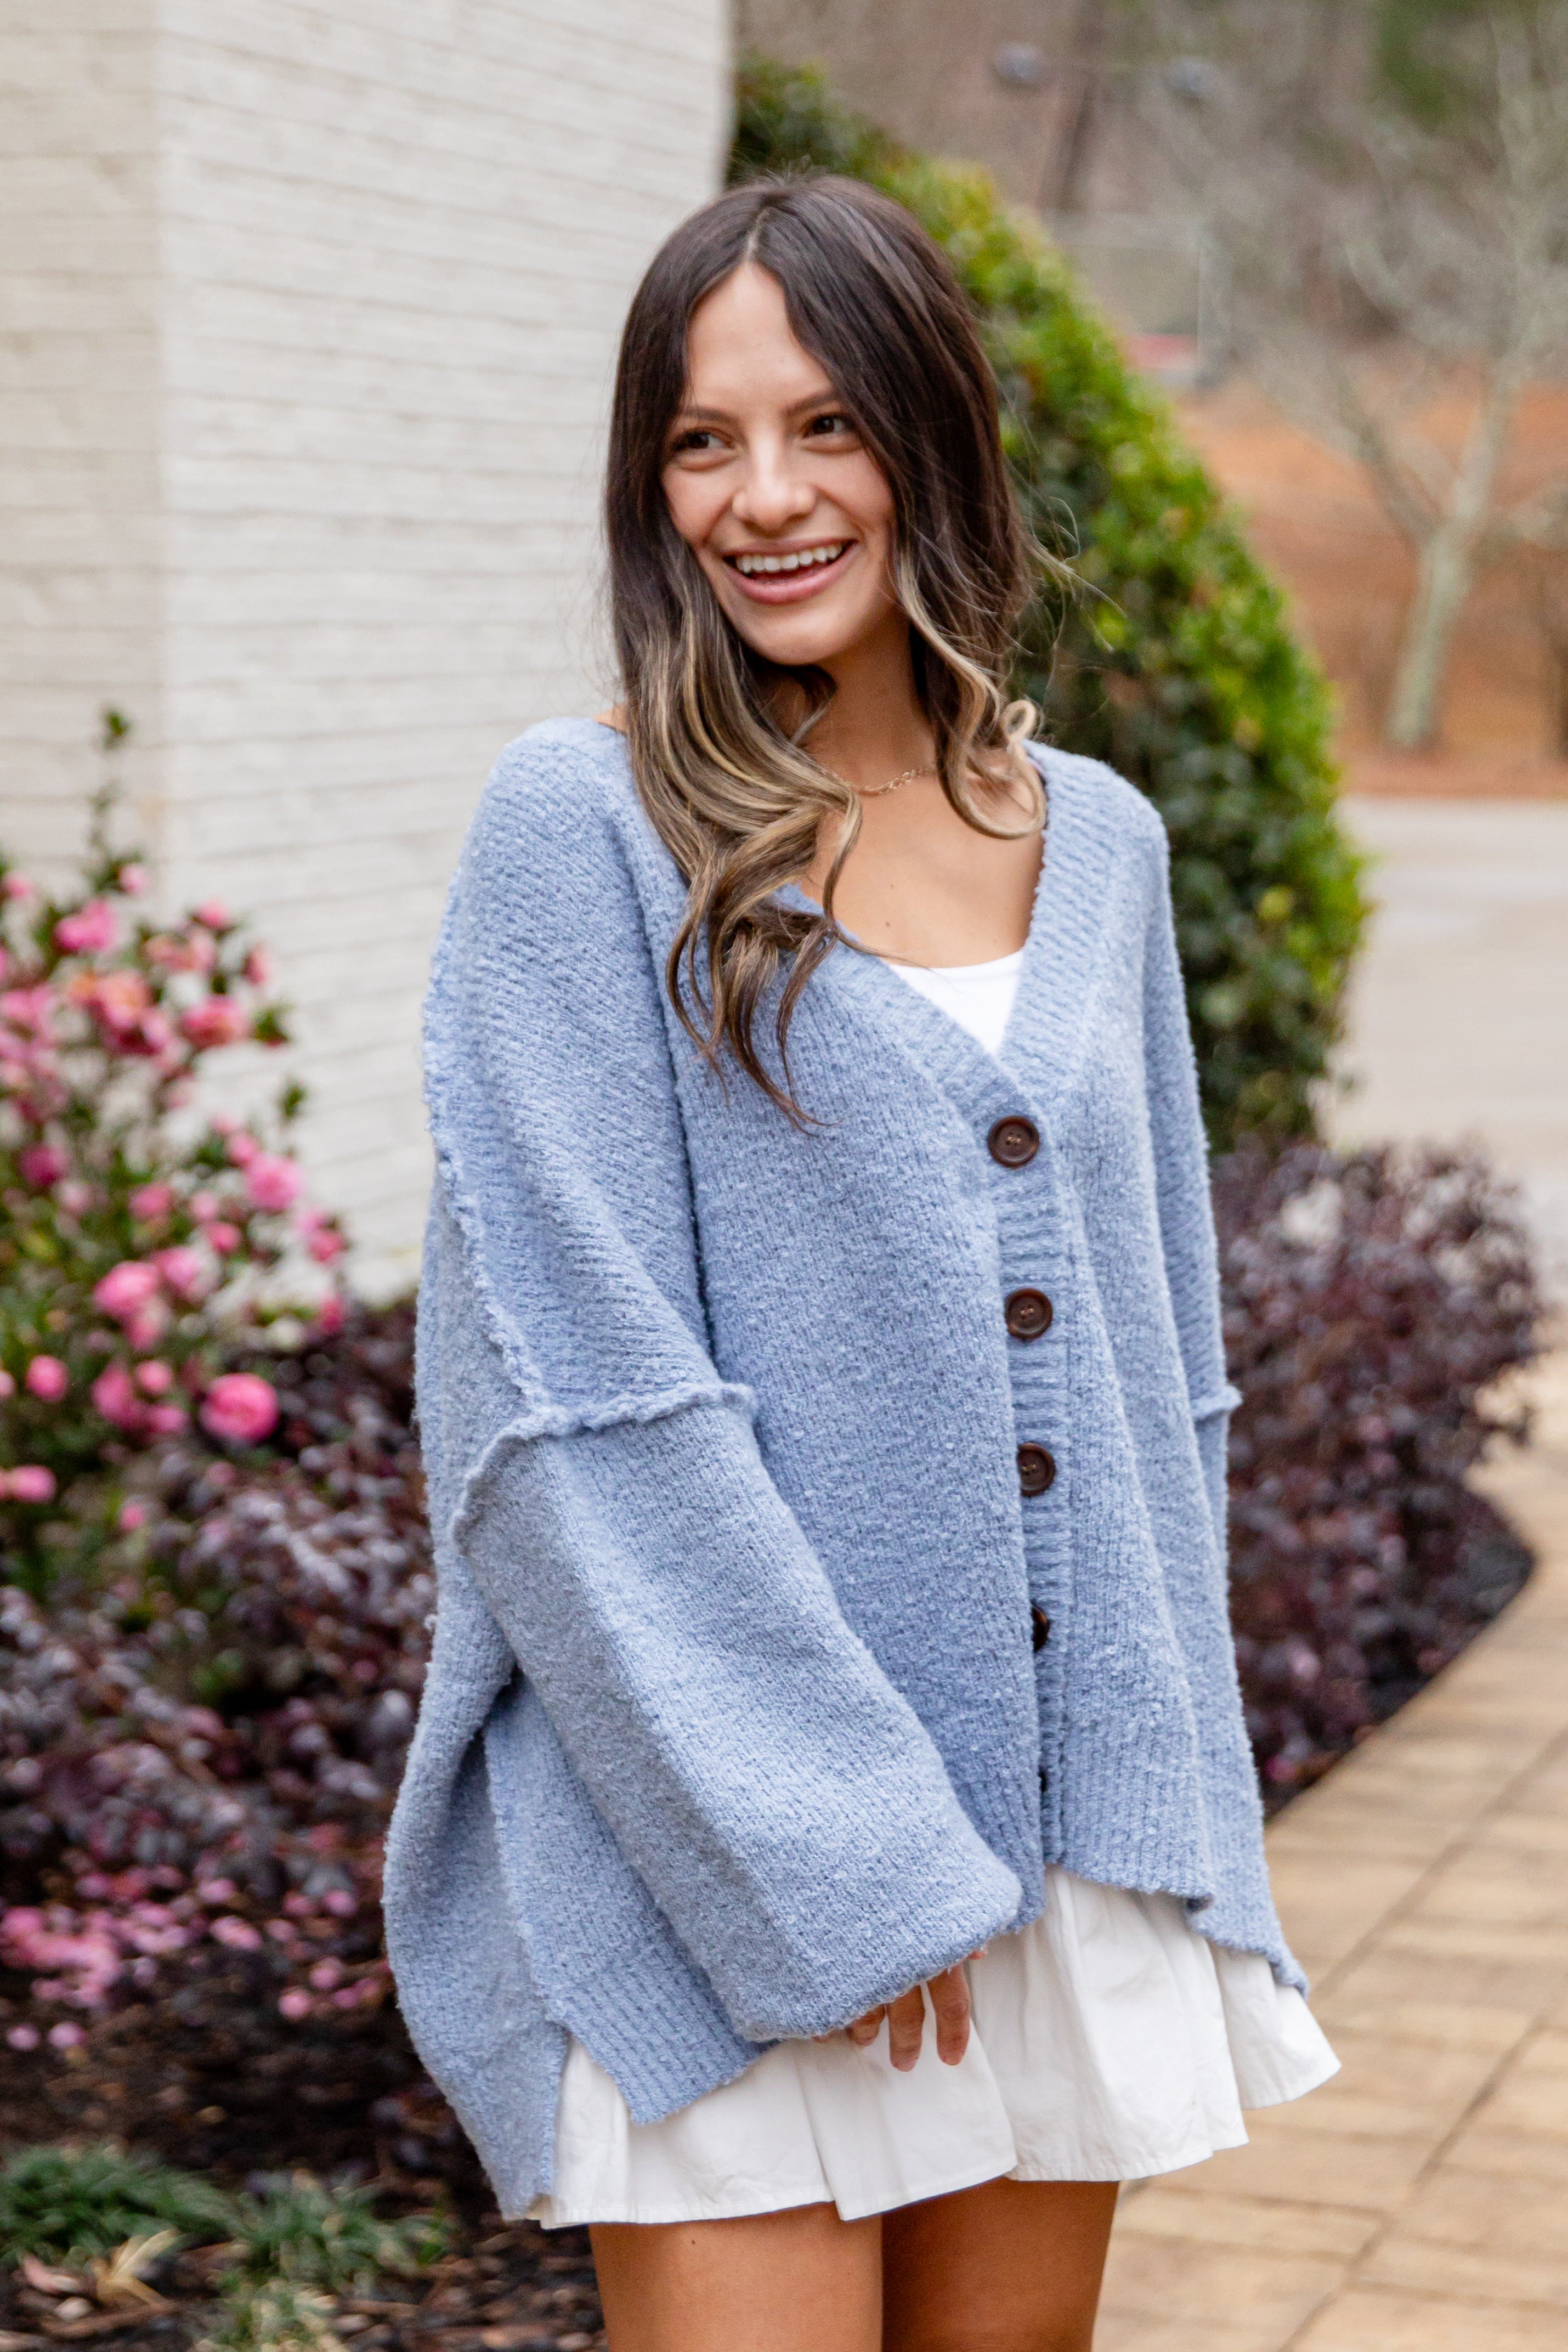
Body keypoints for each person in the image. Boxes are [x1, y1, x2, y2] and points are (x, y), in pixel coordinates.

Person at [384, 174, 1338, 2352]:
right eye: (701, 442)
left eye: (824, 425)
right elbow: (563, 1410)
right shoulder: (582, 825)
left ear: (934, 437)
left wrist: (1169, 1807)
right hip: (739, 1839)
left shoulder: (1095, 841)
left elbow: (1156, 1369)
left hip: (1056, 1849)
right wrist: (836, 1858)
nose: (763, 496)